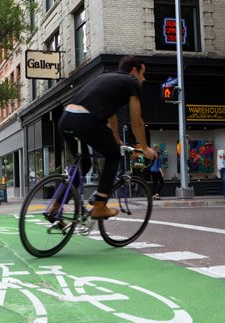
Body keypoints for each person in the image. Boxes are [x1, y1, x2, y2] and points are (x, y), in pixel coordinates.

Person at [57, 55, 155, 219]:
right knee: (113, 156)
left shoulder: (106, 77)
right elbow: (136, 121)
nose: (143, 79)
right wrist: (145, 148)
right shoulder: (131, 83)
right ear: (133, 71)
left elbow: (112, 117)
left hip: (66, 120)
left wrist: (116, 139)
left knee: (84, 164)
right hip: (85, 120)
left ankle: (55, 206)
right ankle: (100, 205)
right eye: (142, 74)